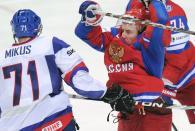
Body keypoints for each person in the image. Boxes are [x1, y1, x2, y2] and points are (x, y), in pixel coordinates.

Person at [0, 9, 135, 131]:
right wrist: (107, 93)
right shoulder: (50, 44)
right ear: (37, 27)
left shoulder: (1, 57)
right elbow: (79, 80)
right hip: (54, 123)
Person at [75, 0, 172, 131]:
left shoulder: (151, 44)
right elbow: (86, 35)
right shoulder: (117, 37)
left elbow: (161, 19)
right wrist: (90, 21)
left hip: (152, 110)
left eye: (128, 31)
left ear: (142, 29)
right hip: (126, 107)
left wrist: (153, 1)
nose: (123, 34)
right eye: (122, 29)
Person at [126, 0, 195, 124]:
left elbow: (178, 59)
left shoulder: (175, 12)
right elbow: (127, 39)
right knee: (151, 118)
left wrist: (162, 84)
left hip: (188, 77)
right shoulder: (133, 5)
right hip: (157, 73)